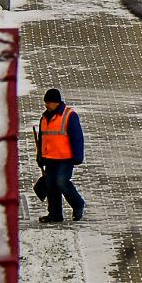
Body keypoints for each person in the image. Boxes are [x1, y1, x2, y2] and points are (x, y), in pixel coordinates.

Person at [35, 87, 86, 226]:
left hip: (66, 159)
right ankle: (55, 214)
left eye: (49, 102)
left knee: (61, 182)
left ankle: (78, 204)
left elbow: (77, 137)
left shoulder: (69, 115)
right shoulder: (44, 118)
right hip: (49, 158)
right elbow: (42, 139)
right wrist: (40, 156)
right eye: (46, 102)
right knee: (51, 186)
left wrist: (78, 156)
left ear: (57, 102)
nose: (46, 105)